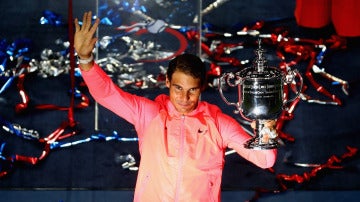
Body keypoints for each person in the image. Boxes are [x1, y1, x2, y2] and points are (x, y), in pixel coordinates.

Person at [74, 11, 277, 202]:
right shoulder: (148, 113)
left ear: (202, 88)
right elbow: (106, 94)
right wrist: (85, 59)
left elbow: (265, 160)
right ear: (168, 83)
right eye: (178, 88)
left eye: (192, 90)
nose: (184, 97)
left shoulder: (219, 124)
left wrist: (267, 131)